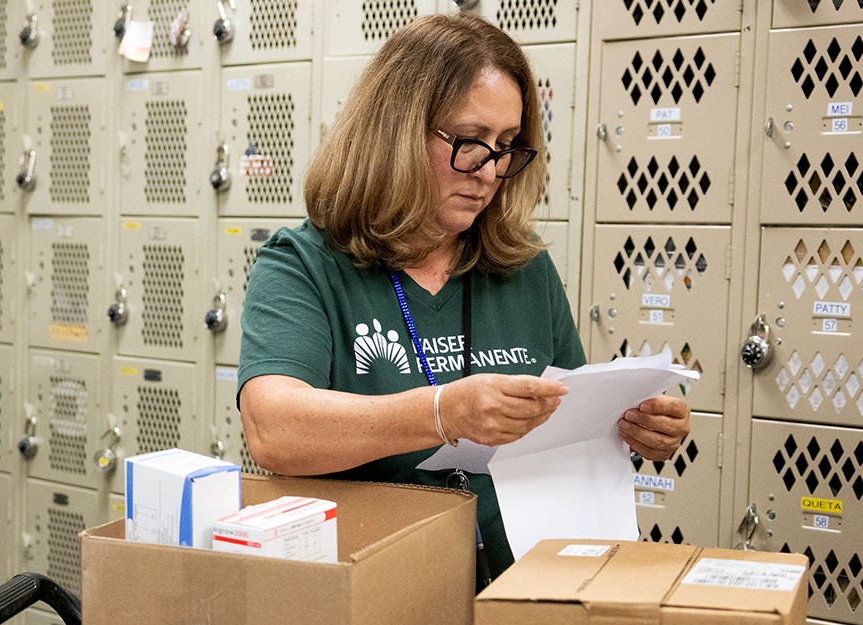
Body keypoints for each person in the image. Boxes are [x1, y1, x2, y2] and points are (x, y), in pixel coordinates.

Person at [236, 13, 690, 585]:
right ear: (396, 131)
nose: (490, 172)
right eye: (471, 143)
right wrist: (443, 412)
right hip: (375, 599)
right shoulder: (305, 263)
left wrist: (634, 423)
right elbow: (275, 430)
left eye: (506, 147)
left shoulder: (522, 266)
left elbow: (572, 418)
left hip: (519, 595)